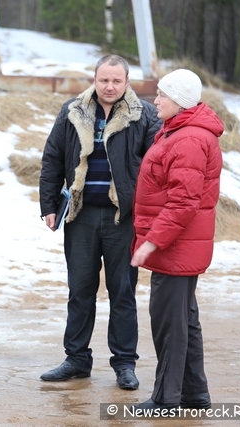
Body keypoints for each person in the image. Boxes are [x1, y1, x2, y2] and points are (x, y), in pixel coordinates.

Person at [38, 54, 161, 389]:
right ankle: (76, 359)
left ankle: (124, 364)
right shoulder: (72, 111)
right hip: (80, 216)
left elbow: (156, 169)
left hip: (123, 218)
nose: (109, 86)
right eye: (104, 80)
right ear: (94, 79)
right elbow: (52, 157)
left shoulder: (145, 115)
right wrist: (48, 204)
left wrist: (148, 216)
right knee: (80, 291)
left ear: (126, 82)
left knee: (122, 292)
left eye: (116, 81)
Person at [131, 69, 222, 411]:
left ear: (180, 102)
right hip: (179, 246)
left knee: (170, 325)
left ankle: (165, 398)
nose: (156, 100)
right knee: (184, 322)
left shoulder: (188, 139)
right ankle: (194, 394)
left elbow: (183, 203)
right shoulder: (180, 130)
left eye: (162, 96)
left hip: (175, 247)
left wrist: (152, 242)